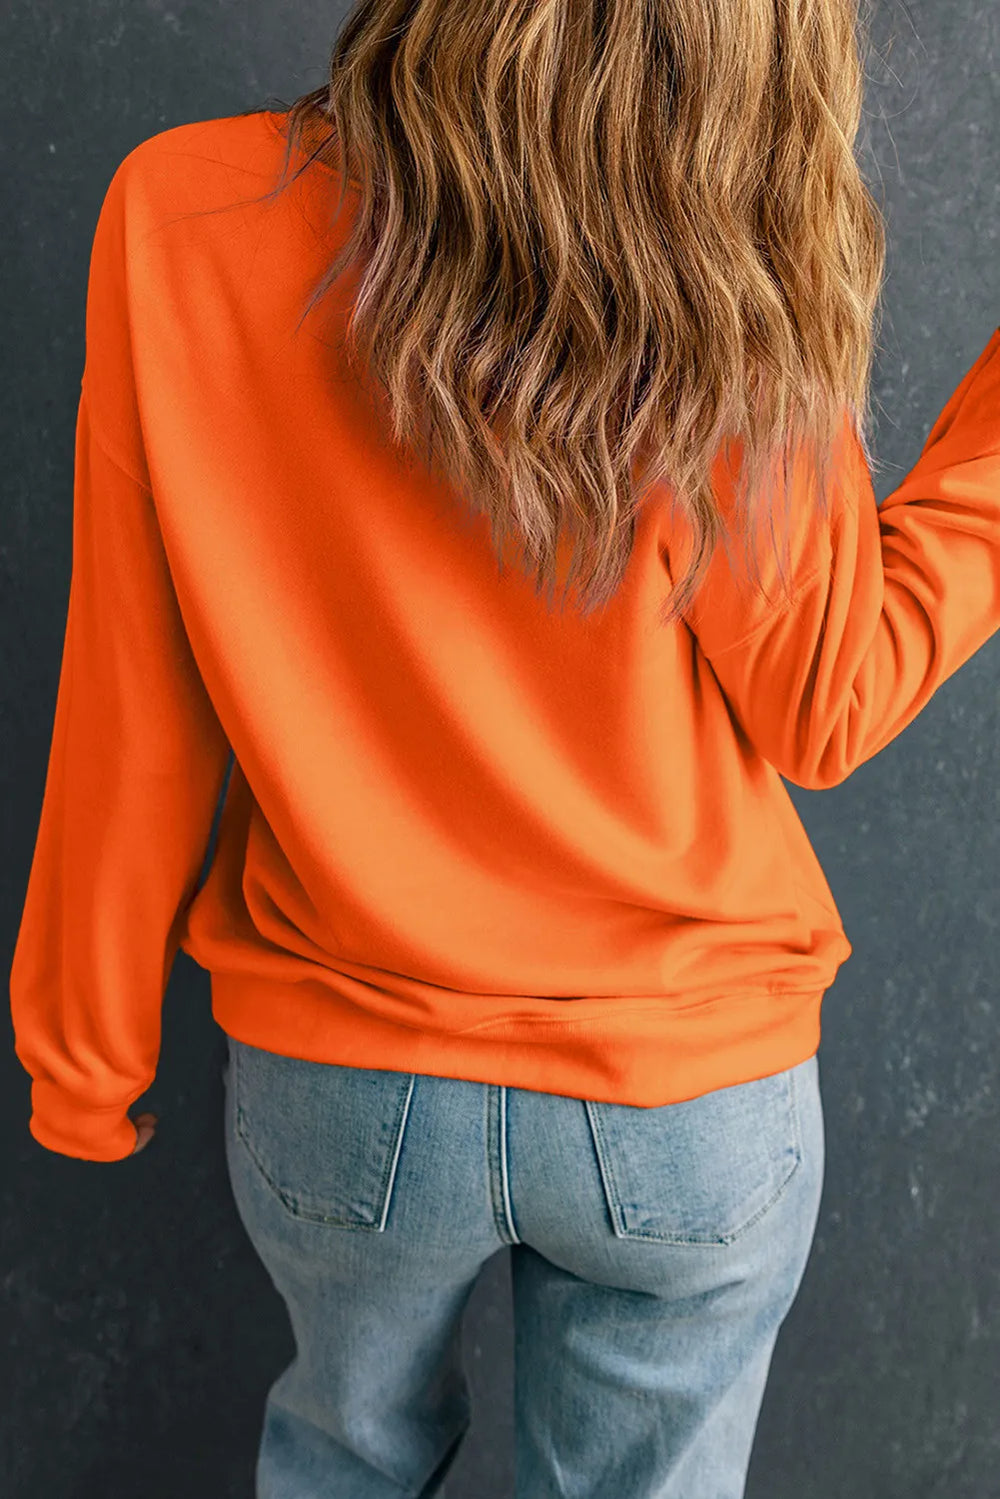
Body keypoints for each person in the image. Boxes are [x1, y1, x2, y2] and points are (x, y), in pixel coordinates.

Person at [9, 0, 1000, 1493]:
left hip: (342, 1086)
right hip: (683, 1085)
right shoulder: (725, 272)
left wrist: (84, 1054)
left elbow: (133, 691)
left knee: (336, 1466)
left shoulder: (183, 209)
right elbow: (828, 704)